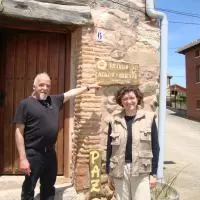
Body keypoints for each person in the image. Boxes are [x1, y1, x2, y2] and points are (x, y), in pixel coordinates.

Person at [13, 72, 101, 200]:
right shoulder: (25, 104)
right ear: (34, 86)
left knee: (49, 186)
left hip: (50, 153)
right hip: (33, 153)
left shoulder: (54, 100)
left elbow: (71, 93)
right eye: (41, 85)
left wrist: (88, 87)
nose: (44, 88)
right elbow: (18, 132)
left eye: (47, 85)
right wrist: (22, 158)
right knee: (29, 187)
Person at [106, 85, 160, 200]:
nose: (128, 101)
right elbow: (110, 149)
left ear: (137, 99)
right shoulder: (114, 121)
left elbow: (155, 147)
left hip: (141, 169)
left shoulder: (149, 118)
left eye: (132, 98)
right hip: (120, 169)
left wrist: (154, 174)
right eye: (125, 99)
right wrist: (109, 173)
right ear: (121, 101)